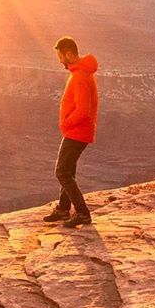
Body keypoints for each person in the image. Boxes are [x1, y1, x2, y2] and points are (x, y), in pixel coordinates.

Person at [43, 36, 98, 228]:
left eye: (60, 56)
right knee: (68, 170)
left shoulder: (81, 76)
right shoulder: (79, 73)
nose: (60, 61)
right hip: (77, 131)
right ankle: (63, 209)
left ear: (69, 54)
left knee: (62, 172)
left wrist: (66, 123)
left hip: (77, 132)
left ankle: (82, 213)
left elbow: (83, 110)